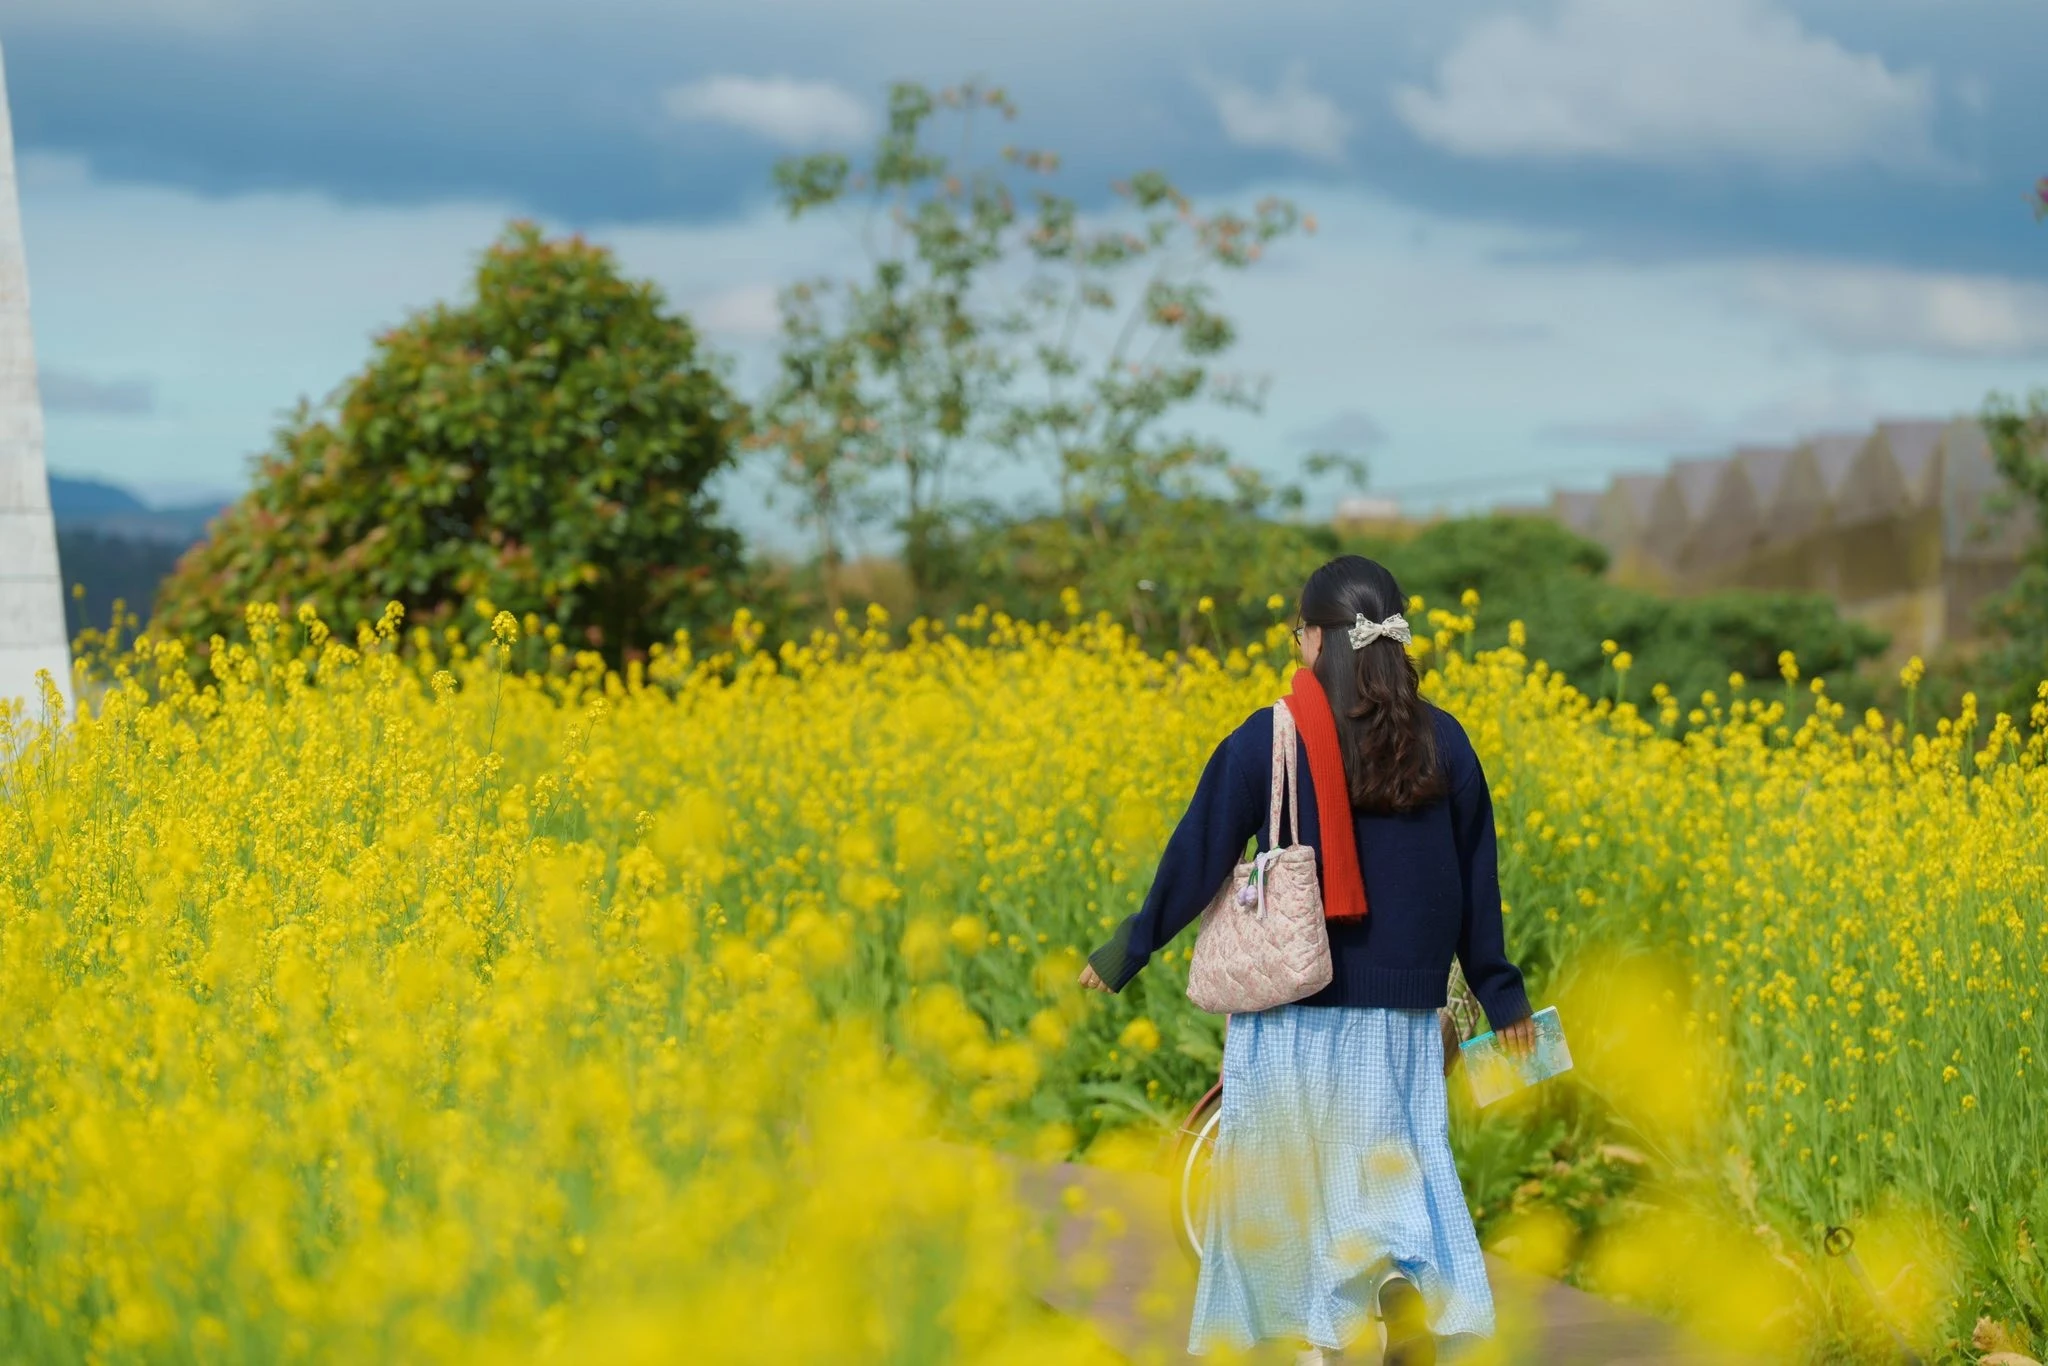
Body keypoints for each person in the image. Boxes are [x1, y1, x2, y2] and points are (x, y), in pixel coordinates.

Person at [1080, 555, 1534, 1366]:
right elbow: (1476, 884)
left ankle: (1321, 1338)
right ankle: (1398, 1287)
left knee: (1294, 1184)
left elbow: (1200, 853)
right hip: (1402, 1013)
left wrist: (1128, 947)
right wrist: (1501, 999)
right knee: (1390, 1166)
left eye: (1299, 629)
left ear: (1319, 638)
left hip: (1296, 1002)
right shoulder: (1444, 741)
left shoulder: (1271, 736)